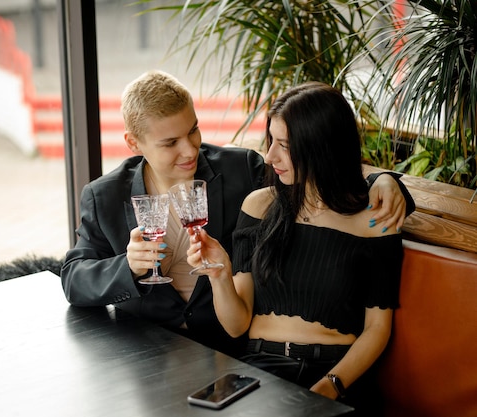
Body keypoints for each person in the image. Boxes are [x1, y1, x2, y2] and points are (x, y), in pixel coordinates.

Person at [60, 71, 412, 357]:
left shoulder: (241, 170)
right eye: (170, 143)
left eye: (193, 130)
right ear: (134, 143)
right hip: (145, 353)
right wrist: (128, 266)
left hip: (233, 352)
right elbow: (73, 278)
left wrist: (382, 179)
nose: (190, 149)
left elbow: (316, 167)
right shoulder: (104, 195)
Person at [186, 82, 404, 413]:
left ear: (322, 148)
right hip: (258, 370)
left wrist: (331, 386)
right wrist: (220, 275)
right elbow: (236, 324)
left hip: (336, 374)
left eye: (285, 145)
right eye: (271, 140)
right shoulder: (258, 207)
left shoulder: (375, 222)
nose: (270, 155)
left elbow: (377, 328)